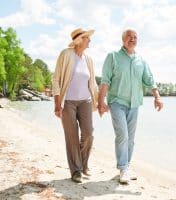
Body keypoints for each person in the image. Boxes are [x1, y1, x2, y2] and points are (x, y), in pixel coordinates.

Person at [98, 29, 163, 184]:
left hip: (134, 105)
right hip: (116, 103)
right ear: (123, 40)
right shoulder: (113, 56)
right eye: (129, 37)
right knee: (123, 135)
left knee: (131, 139)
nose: (132, 39)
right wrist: (100, 102)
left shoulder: (141, 60)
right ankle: (123, 168)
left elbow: (149, 80)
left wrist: (157, 97)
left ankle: (126, 167)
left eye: (135, 37)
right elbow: (105, 81)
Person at [52, 28, 98, 183]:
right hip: (68, 102)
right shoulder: (66, 54)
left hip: (86, 101)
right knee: (71, 137)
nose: (90, 41)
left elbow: (93, 83)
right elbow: (56, 79)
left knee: (88, 134)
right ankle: (76, 171)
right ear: (79, 40)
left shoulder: (88, 59)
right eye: (87, 38)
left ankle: (83, 164)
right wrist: (57, 103)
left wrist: (99, 101)